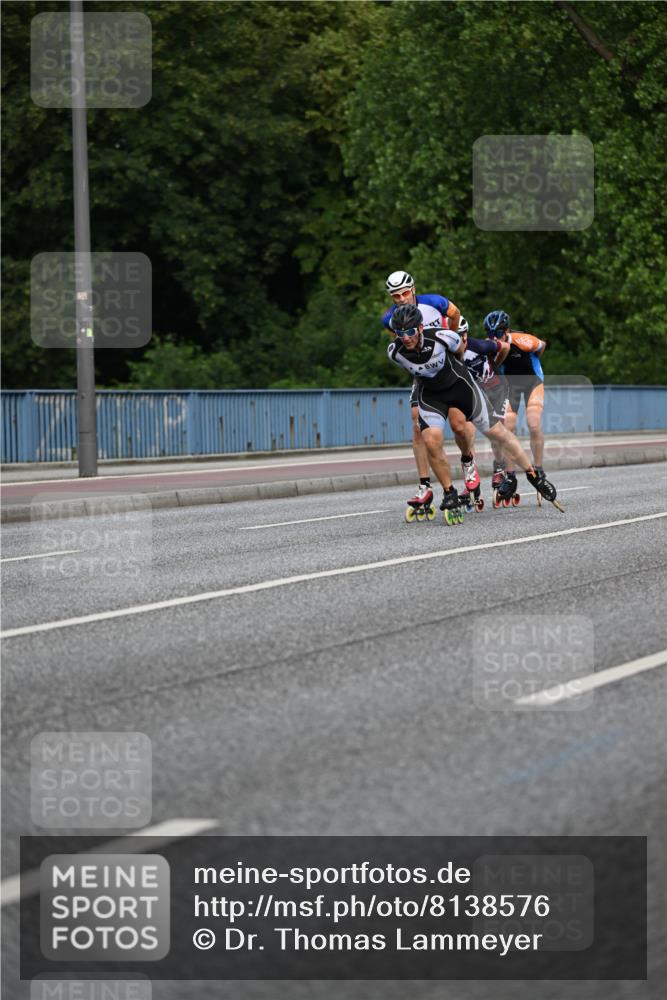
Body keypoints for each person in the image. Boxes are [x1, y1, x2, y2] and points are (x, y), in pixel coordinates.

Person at [387, 304, 564, 513]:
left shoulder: (444, 337)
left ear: (420, 327)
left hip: (460, 387)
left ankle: (533, 475)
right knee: (431, 440)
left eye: (409, 332)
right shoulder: (394, 352)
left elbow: (460, 352)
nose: (405, 338)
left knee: (498, 432)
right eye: (400, 333)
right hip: (431, 395)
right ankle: (449, 492)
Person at [382, 271, 479, 506]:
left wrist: (453, 339)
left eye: (405, 293)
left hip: (449, 364)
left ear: (413, 289)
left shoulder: (434, 302)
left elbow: (455, 313)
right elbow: (399, 344)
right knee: (417, 424)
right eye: (396, 296)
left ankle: (468, 460)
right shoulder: (389, 318)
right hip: (424, 372)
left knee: (458, 425)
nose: (402, 299)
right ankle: (425, 485)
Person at [483, 310, 547, 490]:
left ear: (507, 331)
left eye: (498, 333)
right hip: (510, 385)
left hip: (532, 381)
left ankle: (539, 469)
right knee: (507, 426)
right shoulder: (491, 347)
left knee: (533, 423)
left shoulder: (521, 339)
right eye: (490, 333)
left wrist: (535, 358)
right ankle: (510, 475)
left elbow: (542, 345)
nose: (494, 337)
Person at [458, 319, 511, 507]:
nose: (459, 342)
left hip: (496, 389)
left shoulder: (479, 346)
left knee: (497, 433)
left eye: (462, 337)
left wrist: (496, 363)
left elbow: (504, 347)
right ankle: (472, 478)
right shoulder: (448, 354)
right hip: (474, 394)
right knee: (466, 433)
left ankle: (500, 470)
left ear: (466, 336)